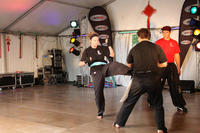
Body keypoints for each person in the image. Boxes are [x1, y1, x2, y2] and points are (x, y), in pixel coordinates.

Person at [113, 28, 168, 133]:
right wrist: (157, 65)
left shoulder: (134, 49)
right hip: (153, 79)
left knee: (129, 102)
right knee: (157, 104)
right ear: (149, 37)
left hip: (138, 80)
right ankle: (160, 128)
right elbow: (165, 63)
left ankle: (119, 123)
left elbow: (129, 64)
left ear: (139, 37)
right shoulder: (157, 47)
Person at [79, 32, 131, 119]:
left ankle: (131, 72)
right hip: (95, 69)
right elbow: (80, 63)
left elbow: (112, 55)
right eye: (94, 40)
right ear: (90, 41)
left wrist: (109, 45)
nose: (96, 42)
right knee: (98, 90)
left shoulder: (101, 48)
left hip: (104, 66)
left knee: (114, 64)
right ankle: (100, 111)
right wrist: (88, 60)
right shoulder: (87, 51)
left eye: (97, 40)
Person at [155, 26, 187, 113]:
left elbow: (177, 55)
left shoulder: (174, 43)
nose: (165, 34)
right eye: (163, 32)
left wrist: (178, 67)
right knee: (157, 85)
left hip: (171, 65)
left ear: (170, 32)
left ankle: (179, 105)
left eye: (166, 32)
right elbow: (155, 56)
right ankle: (153, 102)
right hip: (161, 65)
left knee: (176, 85)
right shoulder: (158, 43)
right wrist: (157, 65)